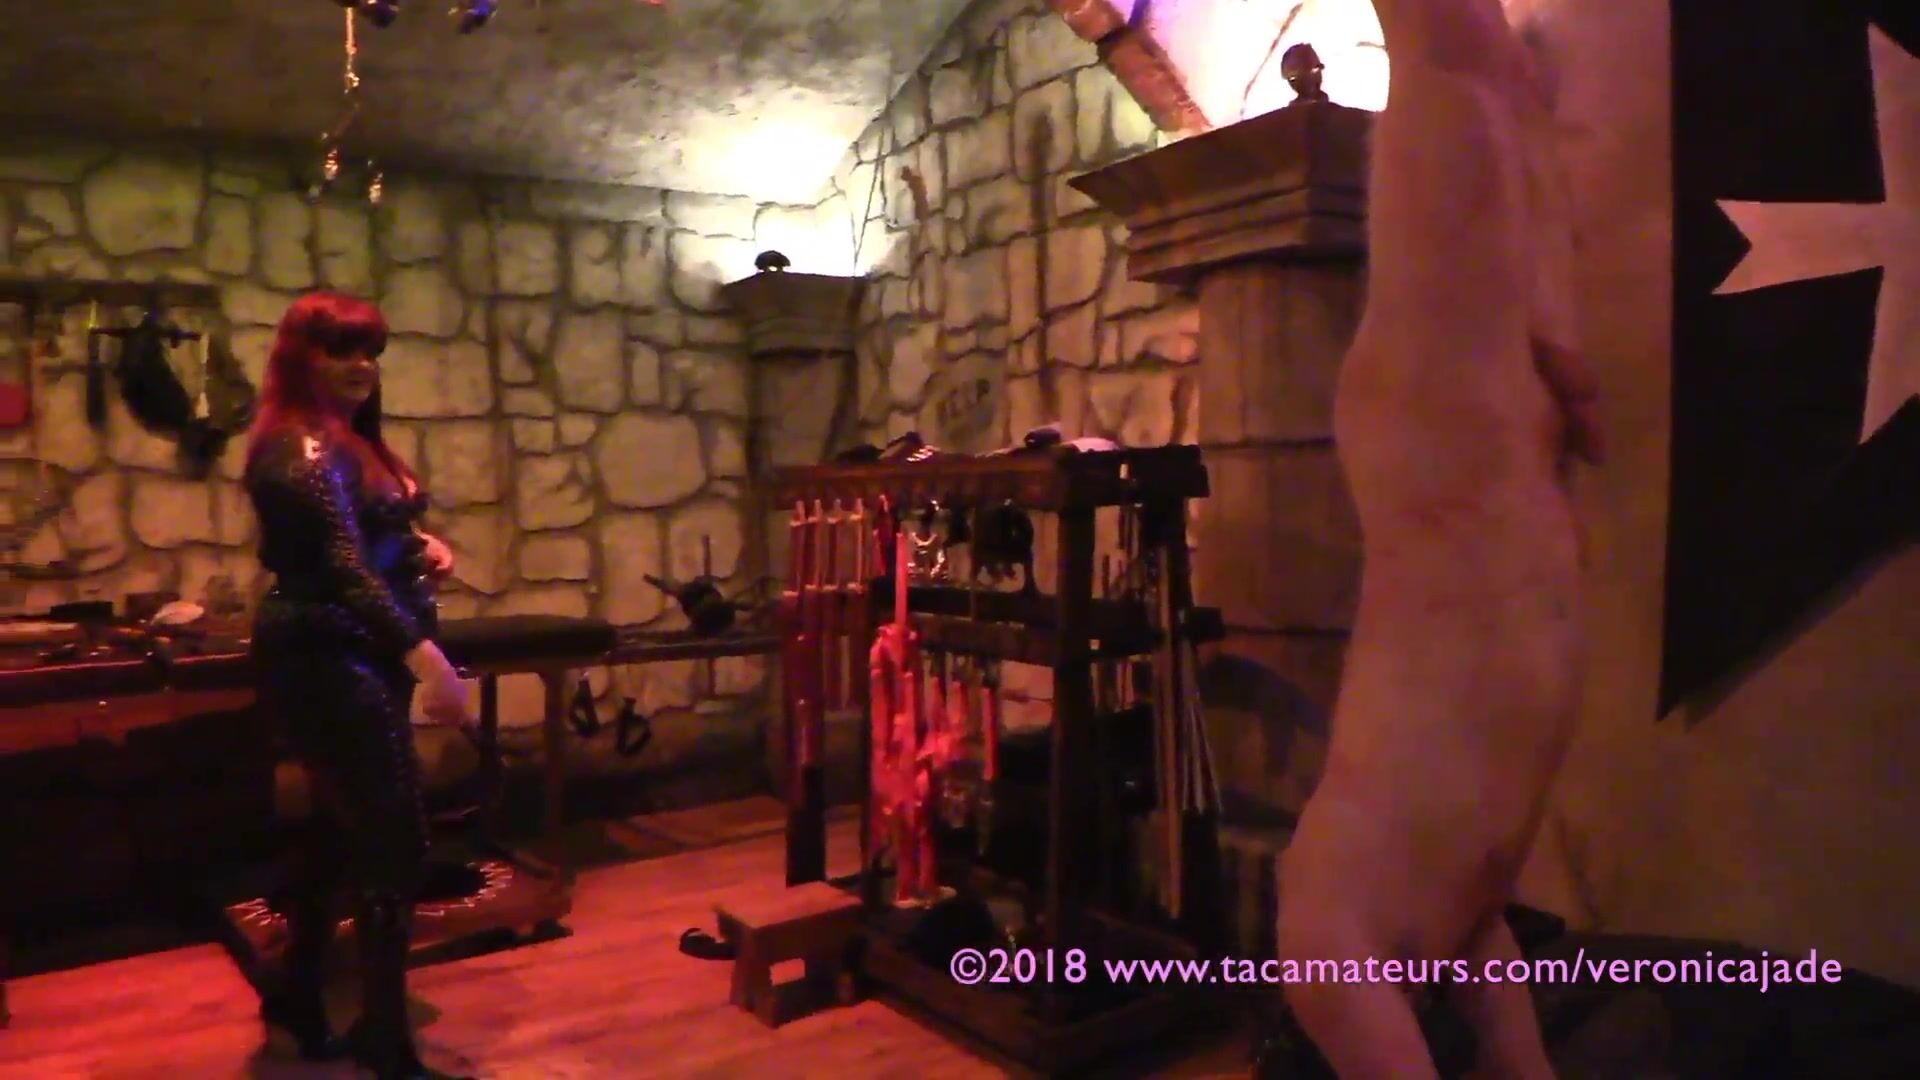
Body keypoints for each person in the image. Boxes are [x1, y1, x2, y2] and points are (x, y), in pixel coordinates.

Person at [1272, 0, 1605, 1077]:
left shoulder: (1325, 945)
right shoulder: (1456, 925)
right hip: (1496, 498)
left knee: (1452, 58)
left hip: (1444, 490)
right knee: (1497, 87)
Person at [244, 290, 470, 1079]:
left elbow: (361, 537)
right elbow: (340, 567)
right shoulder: (300, 445)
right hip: (329, 653)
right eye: (341, 350)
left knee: (340, 833)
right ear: (301, 359)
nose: (362, 366)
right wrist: (426, 659)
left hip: (349, 650)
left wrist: (416, 543)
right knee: (394, 840)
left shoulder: (343, 442)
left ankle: (298, 995)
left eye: (371, 351)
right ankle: (382, 1037)